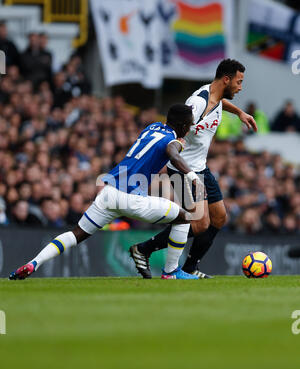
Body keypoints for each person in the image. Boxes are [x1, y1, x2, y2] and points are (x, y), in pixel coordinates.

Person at [9, 104, 201, 281]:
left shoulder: (152, 127)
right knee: (185, 217)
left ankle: (33, 263)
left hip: (109, 193)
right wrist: (192, 175)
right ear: (182, 125)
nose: (190, 128)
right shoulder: (171, 141)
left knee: (76, 233)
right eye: (189, 125)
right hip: (132, 199)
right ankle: (171, 272)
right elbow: (173, 153)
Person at [130, 59, 258, 279]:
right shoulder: (198, 103)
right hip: (184, 169)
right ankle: (144, 250)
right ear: (226, 80)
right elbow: (177, 127)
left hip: (201, 167)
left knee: (219, 218)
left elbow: (220, 103)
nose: (240, 86)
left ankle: (189, 268)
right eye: (239, 81)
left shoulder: (216, 97)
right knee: (199, 225)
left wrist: (239, 113)